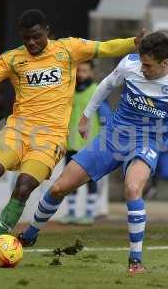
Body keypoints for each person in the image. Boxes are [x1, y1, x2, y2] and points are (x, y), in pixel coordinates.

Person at [0, 9, 144, 266]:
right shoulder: (12, 59)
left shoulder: (68, 49)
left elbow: (104, 48)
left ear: (47, 31)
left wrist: (132, 43)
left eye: (36, 37)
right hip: (18, 129)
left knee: (25, 185)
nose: (31, 43)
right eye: (26, 38)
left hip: (50, 137)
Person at [19, 32, 168, 275]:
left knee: (132, 189)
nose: (142, 68)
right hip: (114, 136)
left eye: (147, 65)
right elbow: (106, 85)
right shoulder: (130, 64)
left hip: (147, 141)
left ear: (164, 62)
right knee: (58, 187)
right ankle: (29, 236)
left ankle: (135, 260)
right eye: (141, 62)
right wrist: (86, 115)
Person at [60, 60, 112, 225]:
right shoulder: (70, 92)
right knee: (69, 181)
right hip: (71, 145)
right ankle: (71, 213)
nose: (81, 74)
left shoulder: (96, 91)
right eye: (79, 71)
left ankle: (89, 213)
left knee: (90, 181)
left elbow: (106, 117)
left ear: (91, 73)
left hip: (91, 146)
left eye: (85, 71)